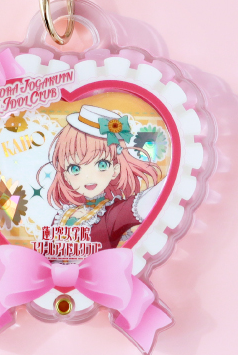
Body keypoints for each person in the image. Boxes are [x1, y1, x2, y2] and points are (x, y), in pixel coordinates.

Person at [43, 104, 165, 251]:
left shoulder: (111, 214)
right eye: (75, 168)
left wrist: (179, 173)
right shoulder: (63, 216)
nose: (87, 176)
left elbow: (148, 203)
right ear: (65, 175)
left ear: (115, 170)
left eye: (102, 165)